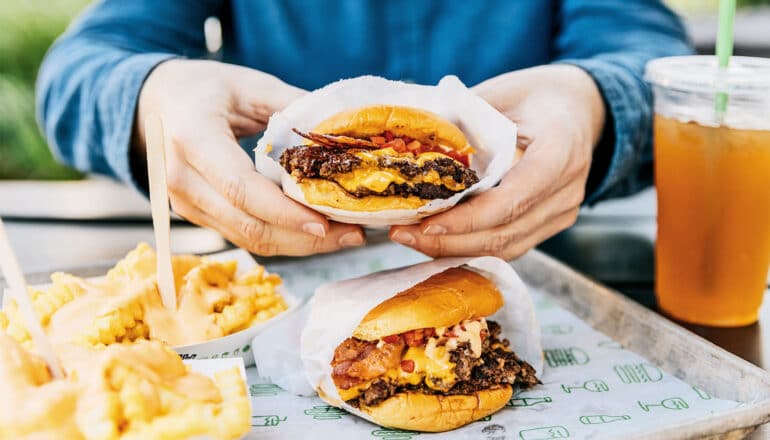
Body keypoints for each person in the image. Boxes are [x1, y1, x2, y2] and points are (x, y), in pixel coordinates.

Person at [36, 1, 691, 259]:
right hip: (271, 272)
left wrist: (592, 100)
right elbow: (77, 73)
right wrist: (156, 95)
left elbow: (651, 58)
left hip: (542, 269)